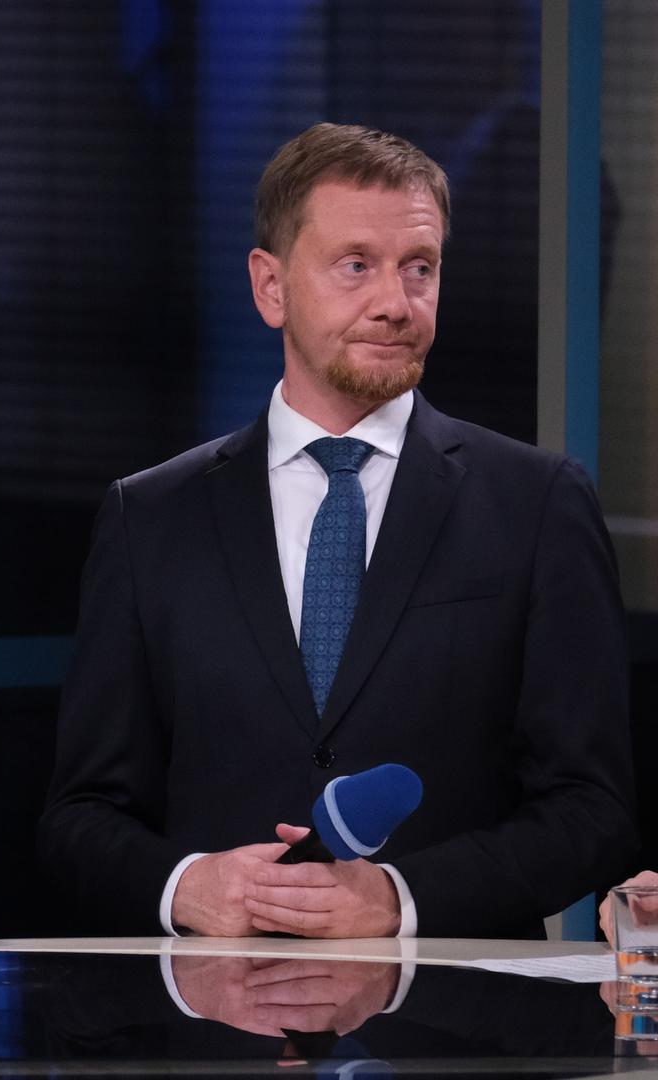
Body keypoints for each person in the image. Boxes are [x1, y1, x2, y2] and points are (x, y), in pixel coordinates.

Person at [37, 123, 636, 940]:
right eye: (357, 266)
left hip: (454, 1043)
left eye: (419, 268)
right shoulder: (151, 517)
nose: (396, 302)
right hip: (218, 1038)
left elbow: (591, 811)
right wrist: (186, 887)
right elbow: (80, 820)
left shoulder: (536, 504)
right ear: (270, 286)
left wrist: (399, 900)